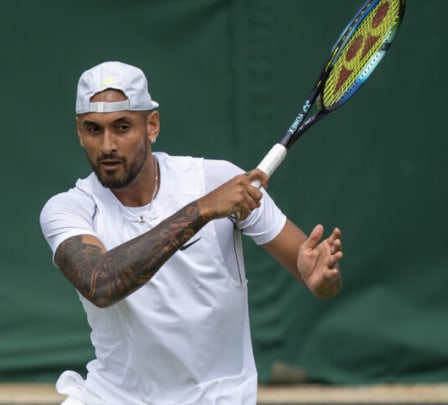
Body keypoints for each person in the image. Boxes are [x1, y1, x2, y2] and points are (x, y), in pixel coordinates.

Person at [39, 61, 343, 405]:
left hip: (216, 398)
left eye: (122, 127)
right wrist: (202, 210)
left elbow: (309, 270)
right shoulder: (67, 209)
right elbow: (100, 283)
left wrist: (318, 278)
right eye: (94, 129)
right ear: (79, 132)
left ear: (151, 125)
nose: (107, 145)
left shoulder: (216, 180)